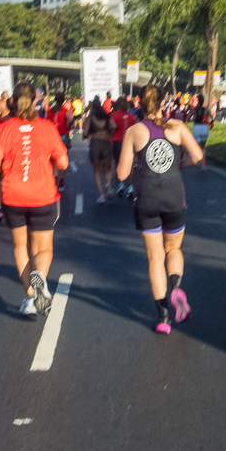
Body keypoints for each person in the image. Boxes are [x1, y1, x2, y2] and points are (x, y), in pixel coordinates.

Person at [115, 85, 204, 334]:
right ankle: (175, 287)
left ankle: (164, 317)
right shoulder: (177, 126)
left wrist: (137, 168)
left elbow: (122, 173)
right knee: (174, 248)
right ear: (163, 102)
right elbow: (197, 155)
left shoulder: (134, 131)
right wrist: (178, 164)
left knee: (155, 258)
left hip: (146, 198)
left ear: (139, 104)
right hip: (174, 196)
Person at [0, 81, 70, 316]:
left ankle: (30, 296)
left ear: (12, 101)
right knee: (43, 248)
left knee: (21, 246)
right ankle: (40, 277)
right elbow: (63, 163)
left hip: (13, 196)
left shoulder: (3, 129)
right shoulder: (47, 127)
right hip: (43, 195)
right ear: (36, 100)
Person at [83, 98, 116, 202]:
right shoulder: (107, 116)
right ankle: (109, 186)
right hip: (106, 143)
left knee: (97, 171)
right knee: (107, 169)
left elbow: (85, 133)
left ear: (92, 106)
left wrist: (88, 136)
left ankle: (102, 195)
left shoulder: (90, 118)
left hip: (95, 144)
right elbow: (114, 126)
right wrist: (110, 135)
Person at [110, 97, 134, 196]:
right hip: (129, 142)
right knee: (130, 164)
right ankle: (131, 186)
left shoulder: (114, 115)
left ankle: (121, 183)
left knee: (117, 162)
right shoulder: (132, 116)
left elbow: (111, 128)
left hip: (117, 141)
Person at [49, 93, 73, 191]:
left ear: (54, 100)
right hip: (63, 136)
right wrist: (68, 127)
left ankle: (55, 178)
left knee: (52, 159)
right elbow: (70, 120)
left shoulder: (49, 111)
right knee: (63, 159)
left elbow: (45, 120)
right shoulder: (65, 111)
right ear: (63, 101)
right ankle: (62, 182)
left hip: (51, 137)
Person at [190, 93, 210, 170]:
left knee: (196, 146)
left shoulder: (193, 109)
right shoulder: (206, 110)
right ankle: (203, 164)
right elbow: (209, 119)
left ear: (197, 101)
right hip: (204, 128)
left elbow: (188, 118)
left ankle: (194, 160)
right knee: (203, 147)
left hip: (197, 127)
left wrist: (193, 119)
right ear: (203, 101)